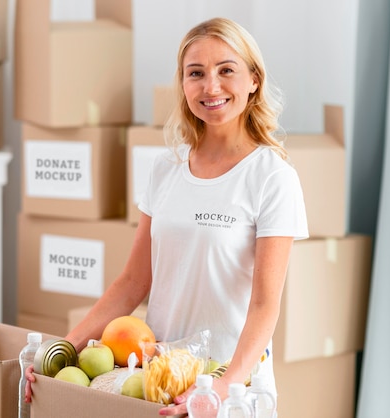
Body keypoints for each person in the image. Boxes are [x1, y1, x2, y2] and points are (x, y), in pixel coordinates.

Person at [25, 16, 308, 416]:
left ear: (254, 80)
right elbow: (132, 283)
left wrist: (219, 391)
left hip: (229, 386)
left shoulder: (273, 177)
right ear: (183, 84)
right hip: (160, 381)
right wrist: (59, 354)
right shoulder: (167, 169)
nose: (211, 86)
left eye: (226, 70)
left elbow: (265, 305)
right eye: (196, 73)